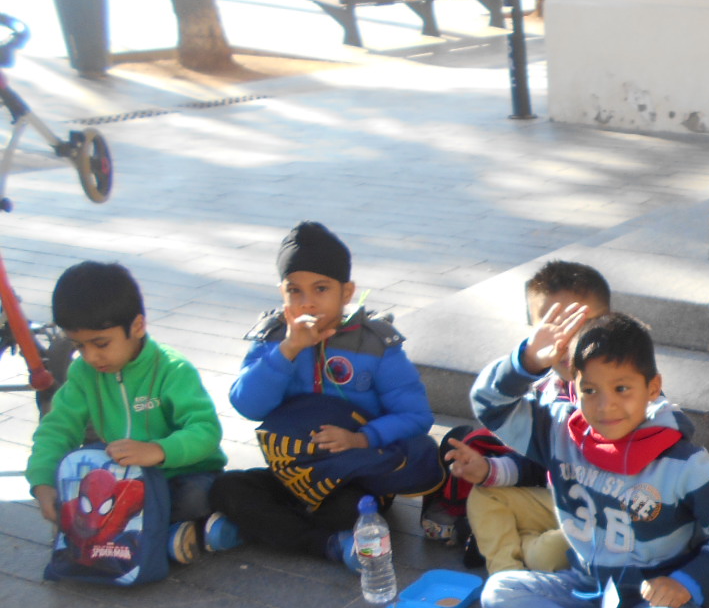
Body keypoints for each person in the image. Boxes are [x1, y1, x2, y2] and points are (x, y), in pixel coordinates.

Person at [444, 311, 709, 608]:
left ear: (653, 387)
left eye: (622, 388)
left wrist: (689, 581)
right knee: (498, 591)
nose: (605, 405)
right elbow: (489, 404)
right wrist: (525, 361)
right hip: (584, 588)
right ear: (573, 387)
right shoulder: (558, 431)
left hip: (655, 602)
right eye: (590, 390)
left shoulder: (685, 462)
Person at [210, 221, 441, 564]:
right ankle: (327, 545)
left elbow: (417, 416)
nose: (307, 303)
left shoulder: (375, 344)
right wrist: (287, 351)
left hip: (352, 474)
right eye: (295, 291)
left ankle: (262, 528)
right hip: (294, 471)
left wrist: (361, 438)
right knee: (225, 489)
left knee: (346, 510)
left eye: (321, 289)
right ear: (282, 292)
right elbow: (247, 405)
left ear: (346, 293)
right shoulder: (274, 339)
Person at [26, 261, 227, 565]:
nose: (91, 357)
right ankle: (167, 537)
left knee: (195, 496)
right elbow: (58, 427)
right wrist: (43, 481)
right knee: (85, 501)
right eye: (80, 346)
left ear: (137, 326)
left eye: (101, 344)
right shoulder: (84, 373)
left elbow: (206, 431)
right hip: (124, 482)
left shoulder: (173, 369)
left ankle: (187, 532)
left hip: (181, 473)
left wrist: (158, 451)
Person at [438, 261, 612, 573]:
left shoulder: (628, 390)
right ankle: (507, 577)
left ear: (609, 324)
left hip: (610, 520)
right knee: (483, 497)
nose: (566, 341)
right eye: (553, 328)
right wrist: (488, 469)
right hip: (558, 504)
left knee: (547, 554)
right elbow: (491, 406)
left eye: (579, 324)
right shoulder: (545, 391)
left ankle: (522, 546)